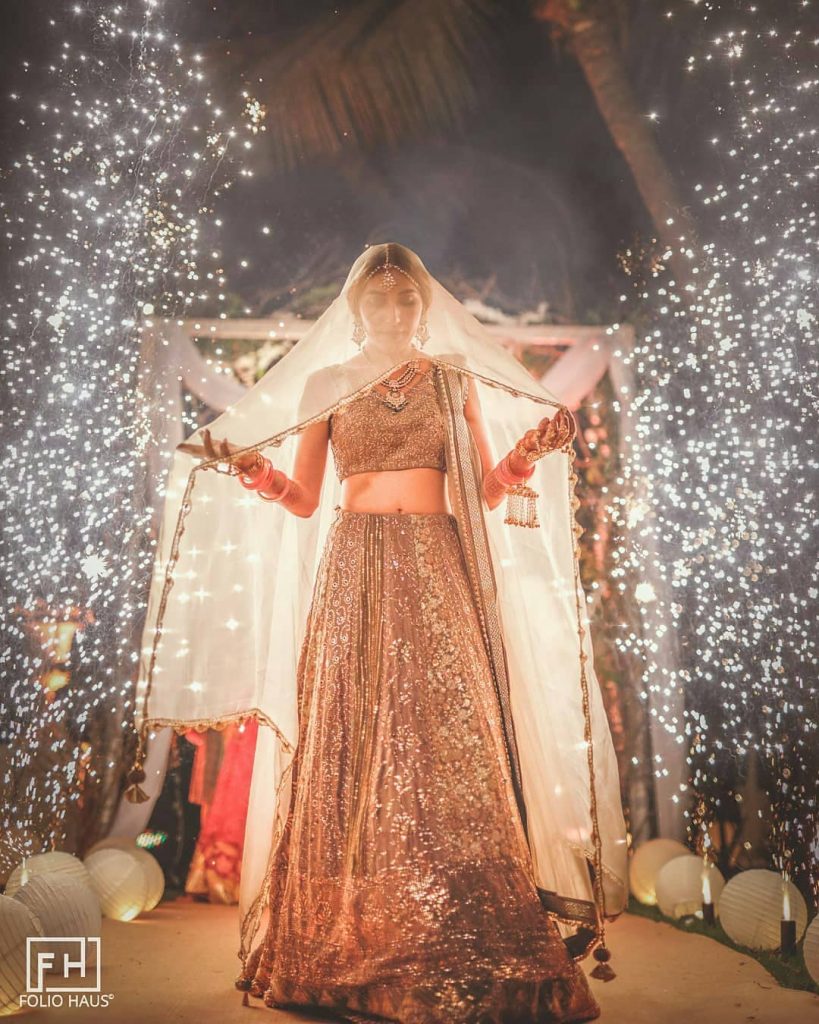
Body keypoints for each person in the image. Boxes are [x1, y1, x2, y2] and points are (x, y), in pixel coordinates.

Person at [127, 243, 628, 1024]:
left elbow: (486, 489)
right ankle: (349, 933)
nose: (394, 312)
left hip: (437, 567)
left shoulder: (453, 379)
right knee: (353, 744)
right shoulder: (327, 384)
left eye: (406, 300)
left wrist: (526, 454)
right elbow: (302, 498)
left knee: (451, 748)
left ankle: (456, 929)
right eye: (381, 299)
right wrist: (255, 474)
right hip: (353, 570)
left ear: (421, 306)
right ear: (356, 307)